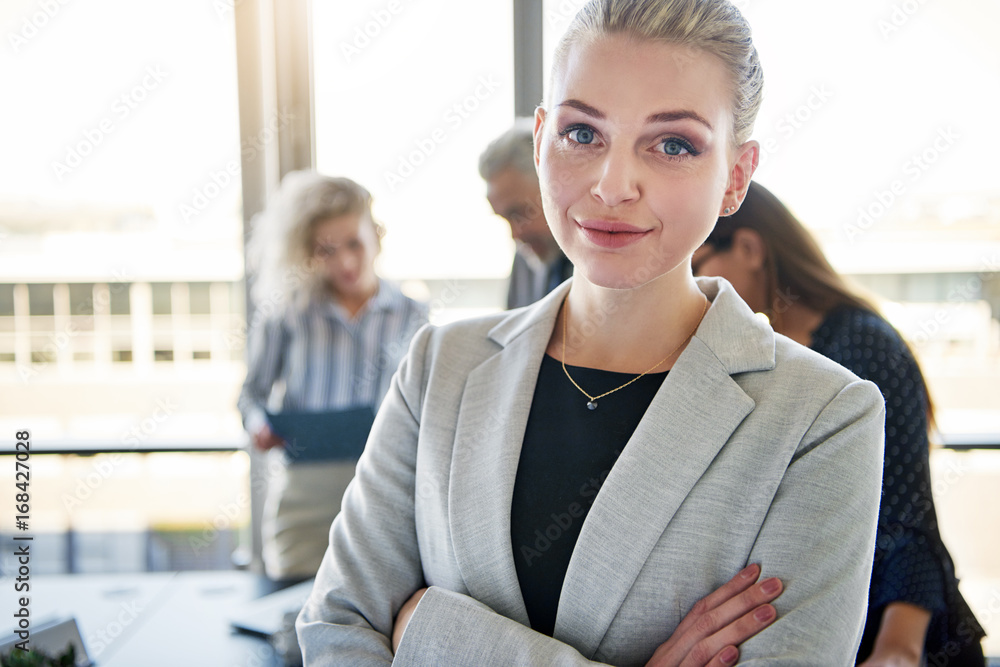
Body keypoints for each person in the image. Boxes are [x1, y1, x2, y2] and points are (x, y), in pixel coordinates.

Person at [297, 0, 886, 664]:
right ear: (543, 136)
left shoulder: (822, 417)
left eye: (673, 144)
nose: (612, 186)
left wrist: (432, 631)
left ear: (737, 175)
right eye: (583, 133)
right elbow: (337, 626)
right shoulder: (441, 366)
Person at [693, 180, 987, 666]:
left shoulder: (860, 344)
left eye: (700, 266)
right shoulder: (760, 357)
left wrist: (898, 648)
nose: (697, 287)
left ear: (748, 248)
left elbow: (907, 512)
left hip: (892, 633)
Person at [237, 171, 428, 581]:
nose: (344, 262)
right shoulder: (288, 311)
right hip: (304, 496)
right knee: (291, 613)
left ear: (377, 236)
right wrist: (257, 425)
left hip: (383, 495)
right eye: (327, 250)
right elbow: (250, 394)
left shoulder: (413, 315)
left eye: (354, 244)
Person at [480, 120, 574, 308]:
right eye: (505, 219)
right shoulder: (527, 260)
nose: (515, 235)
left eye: (519, 214)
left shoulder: (603, 259)